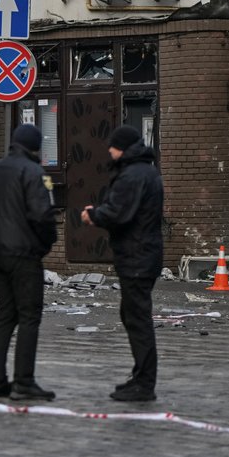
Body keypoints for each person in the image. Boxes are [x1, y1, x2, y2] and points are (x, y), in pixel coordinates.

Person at [0, 124, 58, 401]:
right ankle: (24, 381)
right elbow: (43, 215)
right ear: (35, 147)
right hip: (25, 254)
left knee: (6, 315)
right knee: (29, 316)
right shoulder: (35, 173)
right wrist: (44, 244)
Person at [81, 124, 163, 402]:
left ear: (123, 148)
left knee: (137, 318)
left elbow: (119, 212)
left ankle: (144, 383)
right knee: (131, 316)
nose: (109, 151)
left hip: (137, 256)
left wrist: (94, 214)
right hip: (143, 254)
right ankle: (141, 376)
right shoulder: (148, 171)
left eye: (113, 146)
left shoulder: (132, 175)